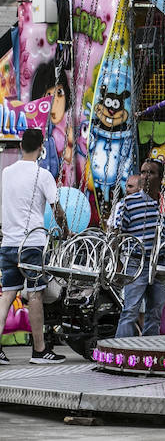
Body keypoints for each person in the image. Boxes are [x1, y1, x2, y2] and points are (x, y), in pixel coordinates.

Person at [0, 128, 68, 364]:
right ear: (42, 148)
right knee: (36, 294)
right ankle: (39, 350)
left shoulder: (6, 173)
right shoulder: (43, 174)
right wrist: (66, 231)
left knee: (7, 294)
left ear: (20, 147)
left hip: (8, 242)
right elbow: (57, 210)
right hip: (32, 244)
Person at [112, 158, 165, 338]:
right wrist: (117, 262)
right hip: (136, 264)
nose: (145, 176)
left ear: (161, 177)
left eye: (151, 173)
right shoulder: (129, 203)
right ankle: (121, 353)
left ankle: (149, 353)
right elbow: (116, 234)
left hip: (161, 266)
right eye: (143, 172)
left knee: (155, 314)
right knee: (130, 311)